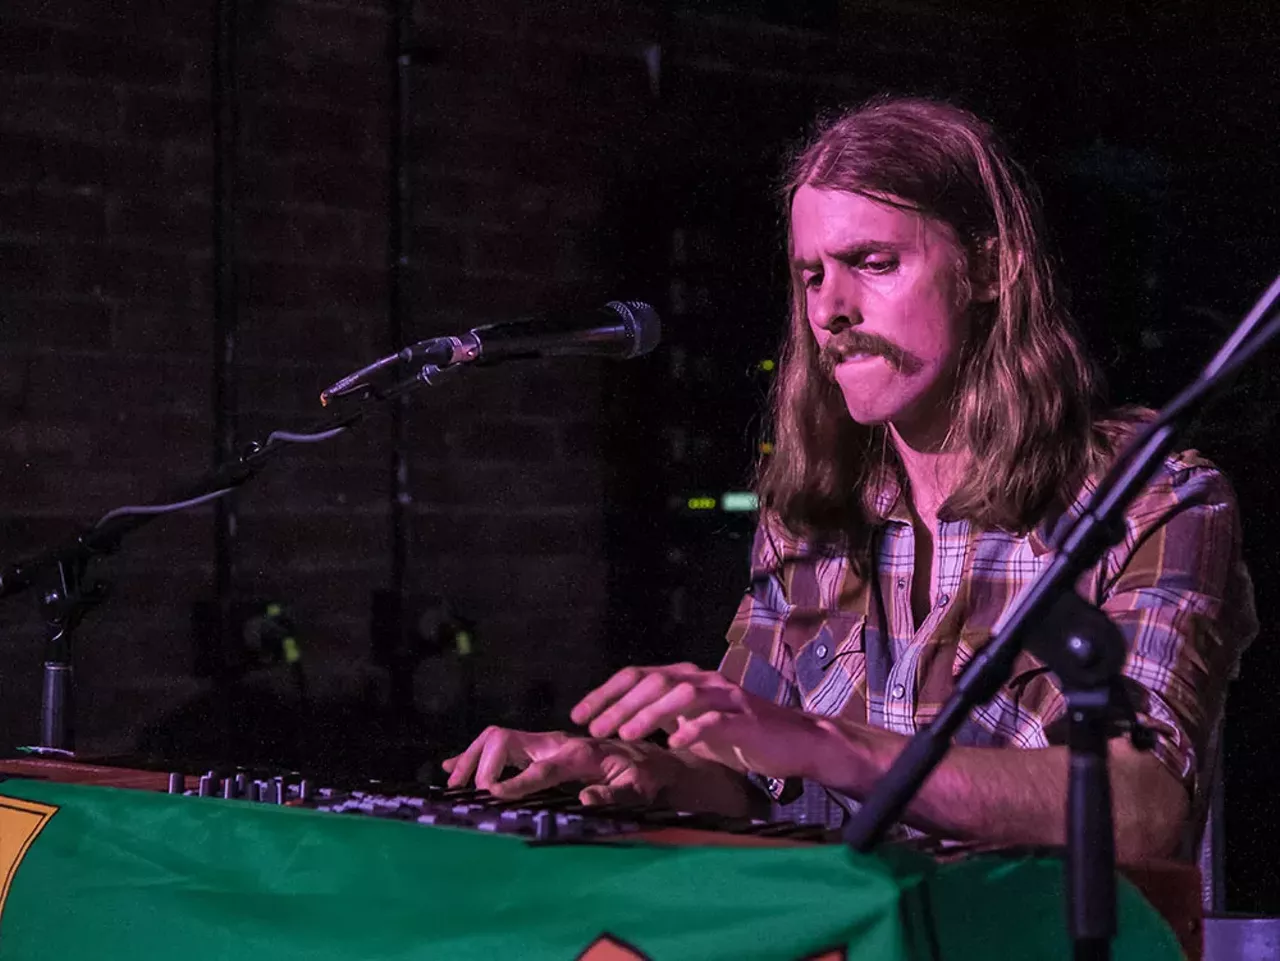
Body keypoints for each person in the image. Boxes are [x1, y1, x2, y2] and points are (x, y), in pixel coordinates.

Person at [443, 96, 1256, 862]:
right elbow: (749, 782)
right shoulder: (810, 514)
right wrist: (627, 768)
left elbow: (1141, 804)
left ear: (989, 268)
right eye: (811, 275)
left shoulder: (1155, 494)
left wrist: (836, 747)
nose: (831, 308)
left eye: (872, 262)